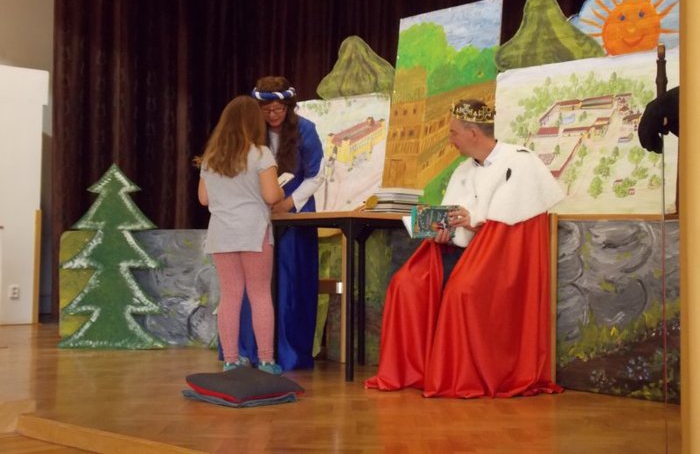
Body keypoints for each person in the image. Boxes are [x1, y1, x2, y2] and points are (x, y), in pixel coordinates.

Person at [365, 99, 565, 398]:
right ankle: (419, 370)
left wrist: (475, 222)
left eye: (454, 133)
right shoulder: (462, 170)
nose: (451, 140)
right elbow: (454, 216)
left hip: (500, 260)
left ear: (473, 133)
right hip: (460, 253)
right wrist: (442, 232)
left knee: (461, 292)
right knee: (405, 284)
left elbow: (511, 229)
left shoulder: (520, 162)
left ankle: (460, 374)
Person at [237, 76, 325, 370]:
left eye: (279, 109)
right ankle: (251, 350)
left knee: (290, 281)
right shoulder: (251, 133)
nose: (273, 115)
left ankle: (289, 353)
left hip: (294, 214)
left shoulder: (305, 130)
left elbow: (316, 175)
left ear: (288, 107)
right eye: (267, 110)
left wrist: (288, 203)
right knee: (255, 281)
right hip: (257, 213)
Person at [196, 95, 285, 375]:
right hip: (253, 231)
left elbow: (203, 199)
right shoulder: (260, 153)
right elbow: (271, 195)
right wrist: (281, 189)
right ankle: (266, 360)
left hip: (222, 233)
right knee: (259, 295)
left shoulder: (211, 158)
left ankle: (231, 360)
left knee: (230, 296)